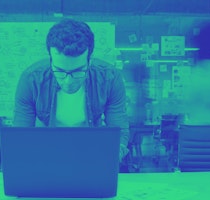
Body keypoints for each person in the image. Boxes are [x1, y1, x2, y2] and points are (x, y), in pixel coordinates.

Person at [13, 19, 130, 164]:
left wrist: (110, 157)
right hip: (47, 153)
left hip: (92, 153)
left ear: (89, 61)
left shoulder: (110, 78)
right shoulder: (31, 79)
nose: (68, 81)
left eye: (78, 71)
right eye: (60, 71)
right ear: (51, 60)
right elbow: (20, 136)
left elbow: (119, 132)